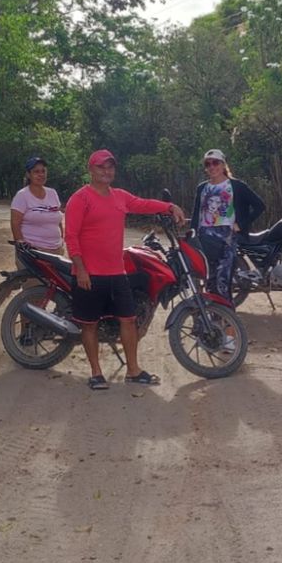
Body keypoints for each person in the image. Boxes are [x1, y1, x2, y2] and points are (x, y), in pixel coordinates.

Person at [64, 149, 186, 391]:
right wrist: (81, 270)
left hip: (117, 272)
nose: (106, 171)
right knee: (89, 325)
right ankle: (96, 373)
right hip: (90, 273)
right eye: (101, 167)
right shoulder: (80, 199)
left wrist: (169, 206)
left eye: (110, 167)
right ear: (91, 169)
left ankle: (133, 370)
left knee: (128, 320)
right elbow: (71, 236)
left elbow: (143, 204)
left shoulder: (119, 196)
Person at [190, 148, 265, 300]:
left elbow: (259, 206)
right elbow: (197, 214)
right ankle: (211, 318)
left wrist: (241, 225)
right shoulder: (202, 188)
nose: (212, 167)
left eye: (215, 162)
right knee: (208, 280)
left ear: (223, 165)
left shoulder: (236, 186)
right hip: (204, 237)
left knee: (223, 281)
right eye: (208, 164)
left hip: (226, 239)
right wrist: (191, 234)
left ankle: (227, 320)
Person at [10, 156, 65, 255]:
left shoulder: (52, 193)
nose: (41, 174)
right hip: (33, 252)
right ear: (28, 175)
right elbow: (15, 223)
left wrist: (61, 238)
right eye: (36, 172)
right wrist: (21, 244)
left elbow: (58, 219)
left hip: (56, 250)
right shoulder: (22, 195)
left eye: (43, 171)